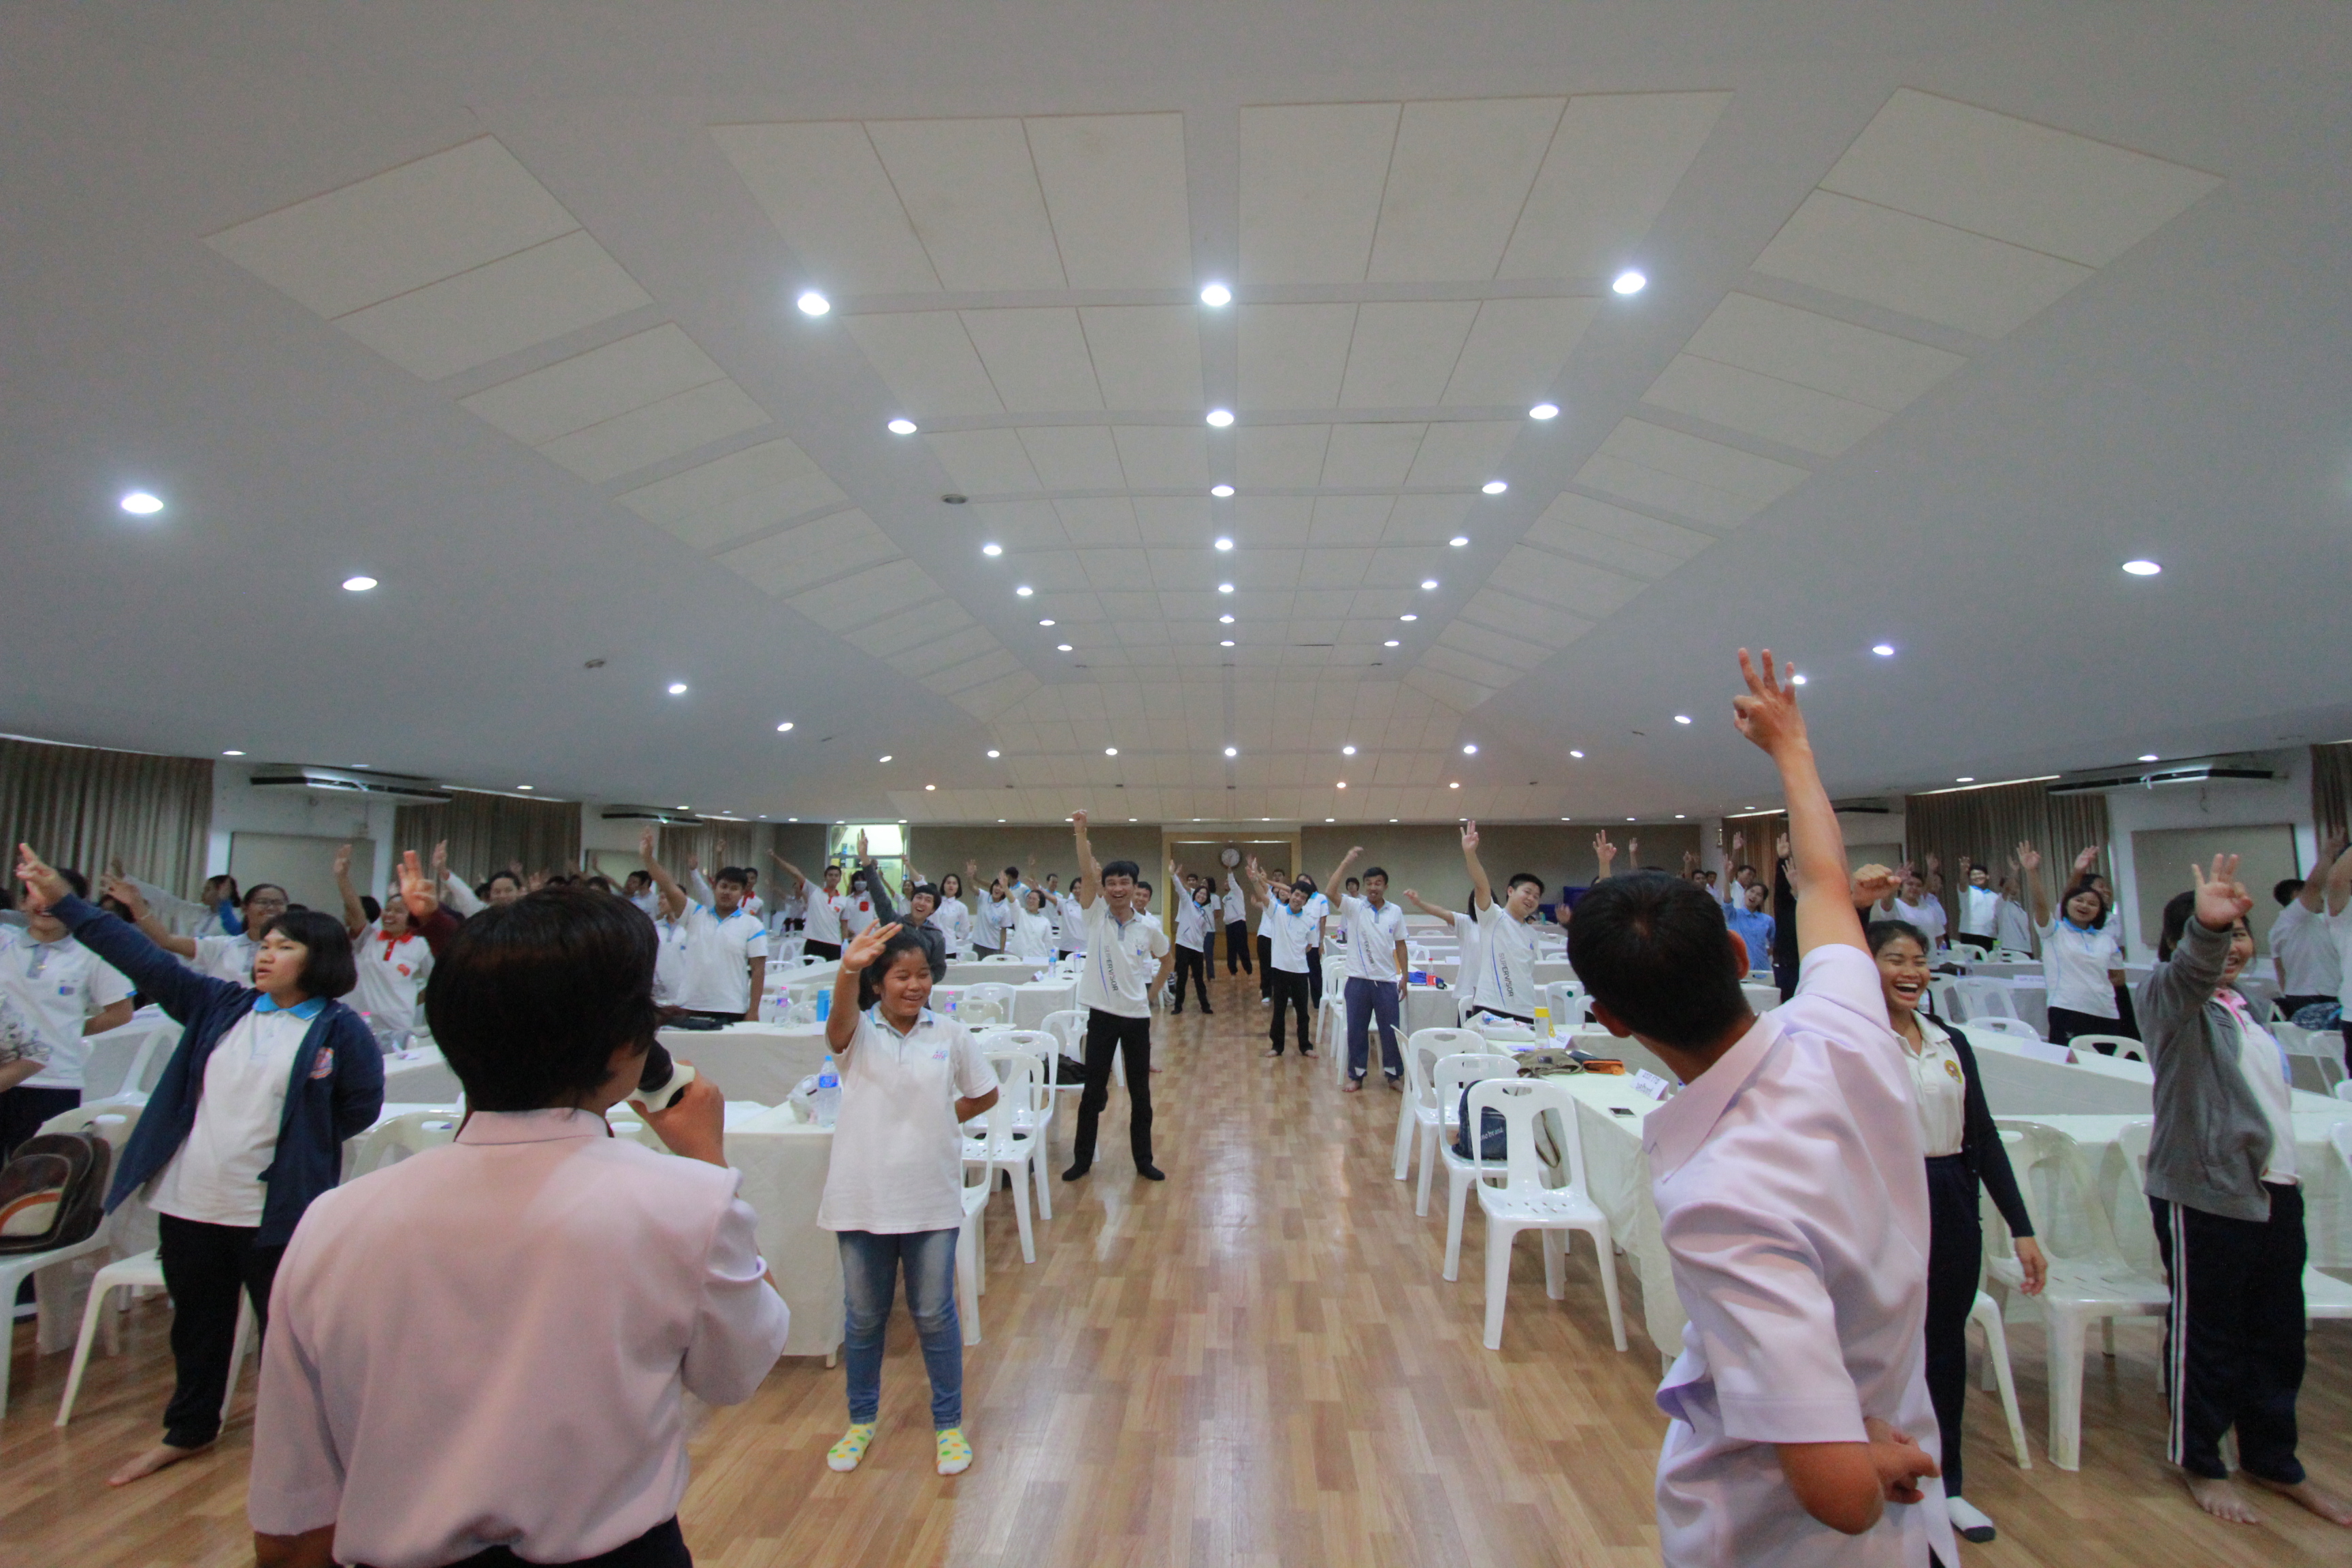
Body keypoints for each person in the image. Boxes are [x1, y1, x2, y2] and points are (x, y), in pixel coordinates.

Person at [247, 881, 789, 1568]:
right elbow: (738, 1369)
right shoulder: (685, 1203)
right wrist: (708, 1159)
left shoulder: (336, 1220)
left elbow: (292, 1511)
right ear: (626, 1047)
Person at [1568, 654, 1955, 1566]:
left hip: (1779, 1542)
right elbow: (1823, 885)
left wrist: (1872, 1457)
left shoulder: (1723, 1195)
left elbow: (1840, 1495)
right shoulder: (1844, 1028)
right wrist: (1791, 749)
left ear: (1609, 1019)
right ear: (1741, 961)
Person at [14, 845, 382, 1490]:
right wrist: (67, 904)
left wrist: (299, 1150)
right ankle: (189, 1429)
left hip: (272, 1211)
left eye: (285, 946)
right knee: (198, 1328)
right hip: (193, 1201)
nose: (266, 954)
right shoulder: (220, 1006)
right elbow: (140, 959)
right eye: (265, 944)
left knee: (289, 1334)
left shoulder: (339, 1029)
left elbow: (358, 1108)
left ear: (319, 959)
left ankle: (305, 1444)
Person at [2128, 860, 2351, 1529]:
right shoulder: (2169, 1000)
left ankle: (2272, 1460)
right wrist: (2207, 927)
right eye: (2218, 937)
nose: (2233, 947)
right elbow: (2191, 971)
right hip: (2206, 1192)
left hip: (2275, 1189)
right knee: (2209, 1335)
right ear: (2180, 945)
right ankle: (2200, 1461)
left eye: (2241, 935)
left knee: (2279, 1334)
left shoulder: (2248, 1009)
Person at [1868, 918, 2047, 1544]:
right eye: (1895, 959)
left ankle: (1947, 1486)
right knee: (1884, 1345)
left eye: (1919, 960)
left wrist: (2021, 1227)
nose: (1911, 972)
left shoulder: (1951, 1041)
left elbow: (1985, 1137)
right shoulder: (1856, 1042)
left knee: (1944, 1347)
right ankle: (1879, 1478)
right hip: (1885, 1202)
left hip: (1950, 1197)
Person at [816, 919, 996, 1481]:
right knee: (864, 1317)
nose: (915, 986)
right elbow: (837, 1029)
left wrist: (943, 1117)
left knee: (934, 1315)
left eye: (922, 975)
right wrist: (847, 970)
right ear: (877, 983)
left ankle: (948, 1425)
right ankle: (861, 1420)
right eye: (901, 976)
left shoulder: (950, 1034)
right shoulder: (859, 1033)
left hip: (930, 1196)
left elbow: (984, 1093)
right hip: (861, 1195)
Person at [0, 862, 134, 1158]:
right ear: (22, 902)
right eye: (35, 893)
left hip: (55, 1082)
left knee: (38, 1176)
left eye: (56, 895)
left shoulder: (92, 954)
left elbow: (121, 1012)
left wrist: (69, 1029)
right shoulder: (4, 940)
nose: (45, 903)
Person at [1064, 812, 1170, 1182]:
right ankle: (1081, 1160)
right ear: (1104, 888)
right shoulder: (1095, 915)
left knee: (1141, 1094)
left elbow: (1167, 960)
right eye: (1111, 883)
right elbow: (1085, 869)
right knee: (1093, 1090)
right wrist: (1080, 833)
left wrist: (1152, 995)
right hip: (1102, 1016)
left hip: (1137, 1018)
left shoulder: (1148, 927)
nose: (1118, 888)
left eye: (1125, 882)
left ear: (1135, 887)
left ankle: (1144, 1160)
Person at [642, 832, 766, 1024]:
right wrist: (648, 859)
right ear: (715, 887)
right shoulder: (694, 914)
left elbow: (758, 970)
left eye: (734, 888)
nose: (727, 892)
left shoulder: (752, 925)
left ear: (742, 892)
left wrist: (753, 1011)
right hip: (690, 1005)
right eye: (723, 886)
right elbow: (668, 885)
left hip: (732, 1008)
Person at [2020, 843, 2130, 1048]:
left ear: (2100, 911)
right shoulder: (2054, 931)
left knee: (2106, 1065)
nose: (2085, 906)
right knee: (2069, 1064)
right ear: (2067, 904)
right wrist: (2032, 872)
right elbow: (2041, 905)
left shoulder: (2106, 940)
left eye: (2092, 904)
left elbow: (2118, 977)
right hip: (2067, 1009)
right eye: (2079, 900)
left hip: (2106, 1012)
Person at [328, 843, 431, 1046]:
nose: (390, 915)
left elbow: (436, 982)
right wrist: (342, 877)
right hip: (359, 1021)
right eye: (388, 909)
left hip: (397, 1025)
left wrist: (411, 1000)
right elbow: (355, 909)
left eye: (399, 911)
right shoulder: (368, 938)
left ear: (412, 917)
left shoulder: (420, 946)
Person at [1328, 848, 1409, 1092]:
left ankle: (1393, 1075)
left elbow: (1401, 944)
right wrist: (1346, 861)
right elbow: (1330, 892)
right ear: (1364, 886)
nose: (1373, 888)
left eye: (1378, 883)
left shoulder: (1395, 911)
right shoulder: (1354, 907)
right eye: (1369, 883)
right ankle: (1357, 1076)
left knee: (1390, 1031)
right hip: (1357, 981)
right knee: (1356, 1031)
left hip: (1386, 982)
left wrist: (1404, 976)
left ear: (1385, 886)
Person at [1460, 823, 1544, 1025]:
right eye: (1527, 892)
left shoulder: (1532, 935)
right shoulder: (1493, 917)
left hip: (1526, 1010)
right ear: (1510, 891)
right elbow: (1482, 886)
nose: (1531, 899)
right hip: (1491, 1006)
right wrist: (1470, 854)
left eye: (1536, 896)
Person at [1245, 860, 1318, 1062]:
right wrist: (1254, 880)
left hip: (1300, 971)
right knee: (1279, 1011)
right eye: (1296, 895)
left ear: (1305, 901)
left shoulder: (1309, 921)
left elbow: (1310, 946)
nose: (1298, 899)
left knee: (1303, 1012)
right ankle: (1277, 1046)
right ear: (1290, 894)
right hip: (1279, 970)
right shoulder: (1277, 911)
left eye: (1303, 898)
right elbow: (1264, 896)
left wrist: (1295, 954)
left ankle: (1305, 1046)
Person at [2269, 832, 2346, 1019]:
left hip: (2313, 993)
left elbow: (2280, 970)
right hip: (2313, 996)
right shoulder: (2293, 918)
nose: (2322, 898)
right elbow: (2314, 886)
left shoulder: (2287, 925)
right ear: (2297, 896)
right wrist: (2328, 854)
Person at [772, 853, 847, 962]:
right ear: (825, 877)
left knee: (831, 972)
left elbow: (844, 924)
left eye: (836, 875)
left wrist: (845, 941)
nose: (833, 878)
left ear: (840, 879)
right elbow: (796, 873)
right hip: (814, 941)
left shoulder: (844, 900)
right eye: (830, 875)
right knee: (810, 971)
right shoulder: (814, 892)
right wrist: (775, 857)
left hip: (834, 943)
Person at [1170, 881, 1215, 1014]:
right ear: (1195, 894)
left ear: (1207, 898)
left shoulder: (1204, 912)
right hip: (1183, 945)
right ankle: (1178, 1006)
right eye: (1200, 893)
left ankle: (1205, 1006)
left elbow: (1205, 931)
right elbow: (1180, 889)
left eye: (1205, 894)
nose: (1202, 896)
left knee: (1199, 978)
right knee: (1182, 977)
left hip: (1197, 949)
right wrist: (1173, 875)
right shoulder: (1187, 903)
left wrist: (1199, 941)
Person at [1950, 856, 2004, 954]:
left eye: (1980, 874)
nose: (1977, 877)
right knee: (1972, 962)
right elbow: (1963, 884)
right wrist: (1963, 871)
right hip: (1970, 934)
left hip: (1991, 936)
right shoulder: (1968, 891)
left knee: (1990, 962)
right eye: (1973, 875)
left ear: (1987, 876)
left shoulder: (1995, 896)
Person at [1725, 881, 1776, 975]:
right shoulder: (1733, 914)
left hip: (1762, 970)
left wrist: (1763, 952)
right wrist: (1726, 877)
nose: (1754, 896)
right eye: (1752, 891)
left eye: (1759, 895)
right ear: (1745, 892)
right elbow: (1727, 901)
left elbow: (1775, 943)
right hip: (1739, 969)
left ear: (1762, 901)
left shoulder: (1768, 920)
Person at [930, 870, 973, 960]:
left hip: (949, 947)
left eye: (954, 883)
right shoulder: (934, 902)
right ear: (943, 885)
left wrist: (953, 936)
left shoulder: (961, 907)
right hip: (931, 945)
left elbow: (965, 930)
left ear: (958, 887)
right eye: (948, 883)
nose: (951, 886)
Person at [1221, 870, 1253, 976]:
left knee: (1242, 947)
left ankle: (1248, 970)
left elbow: (1232, 881)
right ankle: (1233, 971)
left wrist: (1229, 870)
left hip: (1239, 923)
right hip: (1229, 925)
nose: (1226, 883)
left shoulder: (1237, 892)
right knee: (1231, 949)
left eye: (1227, 882)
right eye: (1225, 882)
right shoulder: (1225, 898)